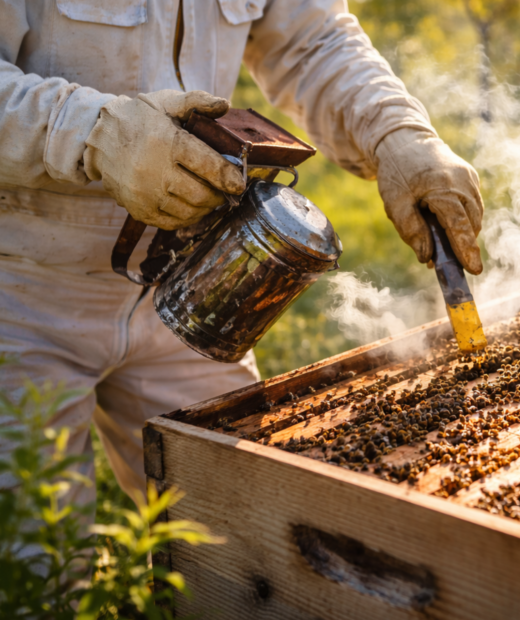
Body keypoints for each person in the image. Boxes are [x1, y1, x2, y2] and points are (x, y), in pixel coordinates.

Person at [0, 0, 484, 507]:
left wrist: (396, 131)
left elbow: (313, 42)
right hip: (20, 290)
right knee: (30, 562)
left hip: (193, 278)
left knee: (239, 531)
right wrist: (92, 132)